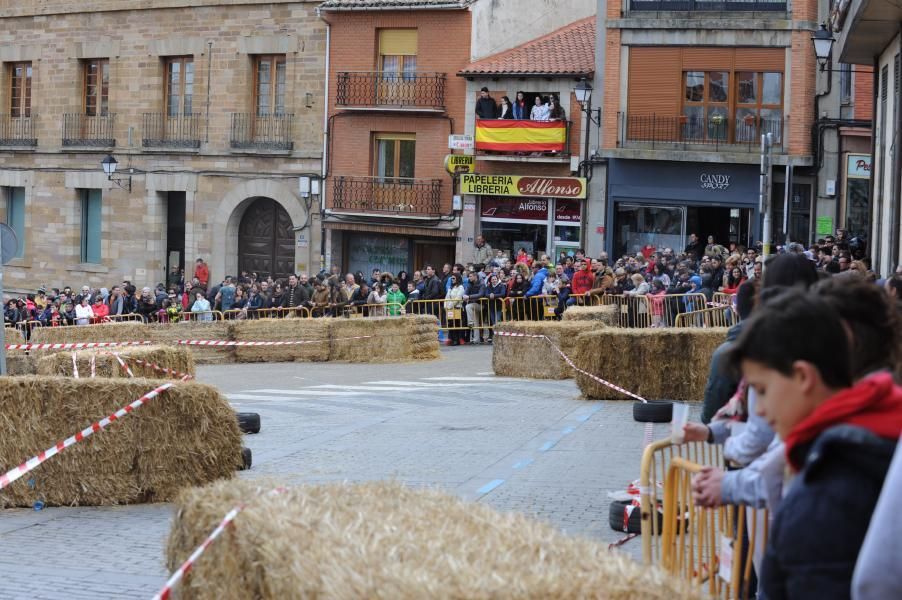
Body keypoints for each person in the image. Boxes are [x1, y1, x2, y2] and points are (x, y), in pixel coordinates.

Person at [725, 290, 902, 599]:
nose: (761, 410)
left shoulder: (824, 491)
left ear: (804, 376)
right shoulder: (880, 432)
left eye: (762, 390)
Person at [445, 273, 466, 346]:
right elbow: (447, 297)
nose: (452, 280)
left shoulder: (461, 287)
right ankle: (452, 339)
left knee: (456, 324)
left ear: (457, 279)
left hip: (457, 308)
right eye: (451, 278)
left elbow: (458, 297)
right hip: (450, 308)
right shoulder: (451, 287)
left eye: (454, 278)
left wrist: (450, 305)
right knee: (451, 324)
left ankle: (456, 340)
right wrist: (446, 306)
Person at [463, 272, 484, 344]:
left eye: (471, 276)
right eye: (469, 276)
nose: (469, 278)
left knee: (468, 306)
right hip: (473, 305)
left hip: (480, 305)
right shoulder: (469, 284)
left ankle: (470, 322)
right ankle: (476, 339)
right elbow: (465, 293)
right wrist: (464, 295)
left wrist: (469, 297)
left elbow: (480, 294)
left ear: (475, 276)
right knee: (476, 322)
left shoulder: (481, 284)